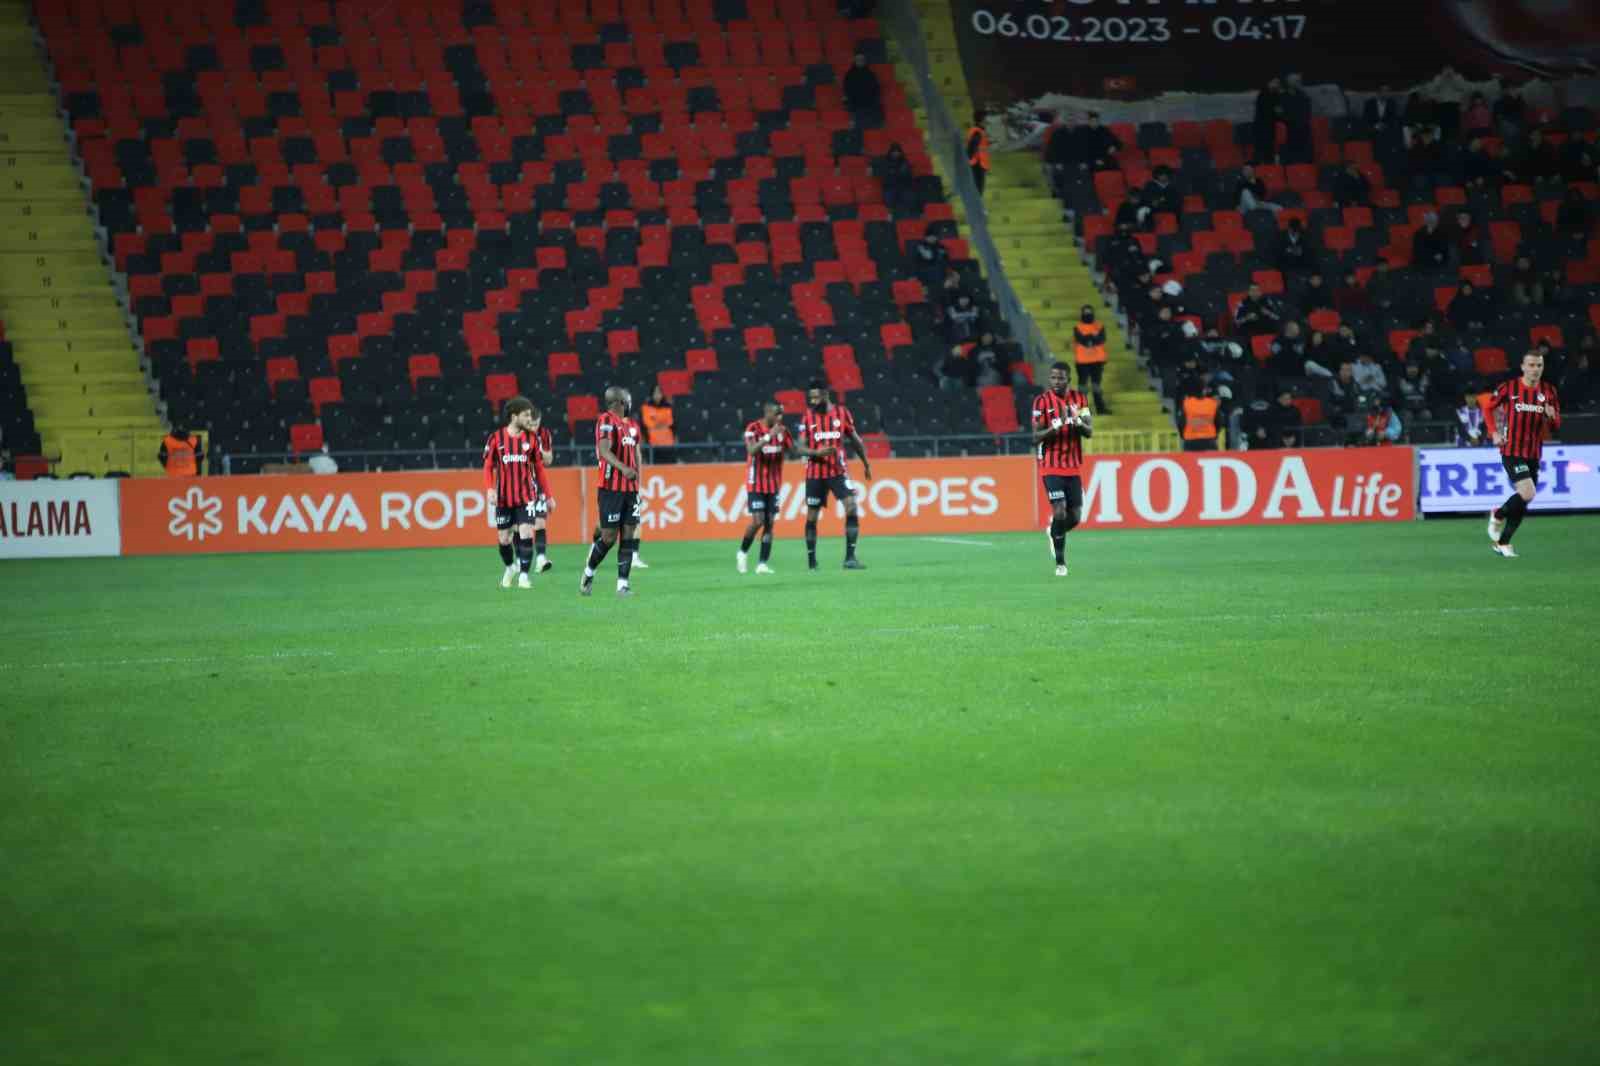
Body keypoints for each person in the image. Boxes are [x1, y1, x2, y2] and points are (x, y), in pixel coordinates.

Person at [1481, 350, 1561, 557]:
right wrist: (1494, 433)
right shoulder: (1509, 387)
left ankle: (1503, 543)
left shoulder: (1549, 391)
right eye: (1532, 365)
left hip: (1533, 452)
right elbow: (1488, 408)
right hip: (1511, 449)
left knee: (1525, 498)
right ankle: (1498, 515)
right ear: (1523, 367)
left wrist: (1552, 417)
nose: (1535, 370)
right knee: (1528, 492)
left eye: (1539, 366)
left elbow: (1556, 425)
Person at [797, 379, 871, 570]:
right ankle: (812, 561)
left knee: (852, 508)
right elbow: (799, 446)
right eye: (810, 398)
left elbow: (855, 439)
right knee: (812, 517)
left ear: (825, 395)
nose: (812, 401)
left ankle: (850, 558)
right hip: (815, 473)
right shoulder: (807, 417)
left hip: (838, 472)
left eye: (816, 397)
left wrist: (865, 463)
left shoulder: (842, 413)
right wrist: (816, 453)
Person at [581, 386, 643, 596]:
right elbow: (604, 451)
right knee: (608, 537)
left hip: (630, 490)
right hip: (610, 489)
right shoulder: (605, 420)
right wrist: (624, 469)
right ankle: (588, 573)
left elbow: (636, 456)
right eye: (628, 399)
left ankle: (622, 585)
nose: (630, 403)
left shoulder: (628, 426)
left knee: (628, 535)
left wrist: (638, 484)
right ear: (619, 401)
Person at [483, 396, 551, 590]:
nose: (529, 418)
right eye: (526, 415)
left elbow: (539, 468)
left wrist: (549, 495)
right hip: (504, 498)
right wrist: (489, 489)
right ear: (514, 416)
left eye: (530, 415)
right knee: (504, 539)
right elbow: (488, 466)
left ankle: (523, 576)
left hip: (526, 496)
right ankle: (510, 567)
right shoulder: (496, 438)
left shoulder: (531, 439)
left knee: (526, 533)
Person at [1032, 362, 1092, 577]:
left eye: (1061, 378)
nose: (1056, 382)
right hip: (1050, 465)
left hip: (1072, 466)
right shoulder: (1041, 402)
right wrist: (1054, 427)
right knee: (1059, 510)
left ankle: (1054, 531)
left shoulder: (1080, 399)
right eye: (1053, 378)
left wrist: (1076, 422)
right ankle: (1061, 564)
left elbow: (1089, 430)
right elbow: (1035, 437)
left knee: (1075, 517)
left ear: (1069, 379)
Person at [738, 401, 807, 574]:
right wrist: (769, 436)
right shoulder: (752, 428)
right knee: (757, 521)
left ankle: (762, 564)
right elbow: (752, 450)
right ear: (767, 412)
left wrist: (808, 449)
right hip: (756, 483)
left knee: (769, 524)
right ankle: (742, 552)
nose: (779, 418)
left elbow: (794, 450)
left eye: (781, 415)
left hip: (774, 484)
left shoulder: (782, 431)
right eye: (777, 414)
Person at [528, 413, 556, 572]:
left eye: (536, 424)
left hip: (537, 481)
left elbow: (548, 460)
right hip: (519, 482)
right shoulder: (517, 434)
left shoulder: (544, 434)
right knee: (519, 527)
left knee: (540, 522)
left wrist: (538, 449)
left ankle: (540, 558)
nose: (534, 427)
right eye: (531, 424)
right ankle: (519, 560)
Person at [1072, 305, 1110, 414]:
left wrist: (1089, 340)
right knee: (1083, 386)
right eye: (1085, 312)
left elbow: (1101, 339)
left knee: (1096, 385)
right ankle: (1082, 410)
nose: (1087, 314)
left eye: (1089, 312)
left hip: (1097, 360)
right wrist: (1093, 339)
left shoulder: (1099, 326)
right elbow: (1081, 339)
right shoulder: (1078, 327)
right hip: (1082, 361)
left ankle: (1100, 409)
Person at [1179, 382, 1221, 451]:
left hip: (1191, 441)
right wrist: (1215, 434)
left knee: (1190, 461)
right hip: (1209, 440)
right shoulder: (1212, 403)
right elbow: (1219, 421)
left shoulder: (1187, 403)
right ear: (1203, 390)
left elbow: (1181, 422)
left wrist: (1182, 435)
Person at [842, 52, 881, 124]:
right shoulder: (849, 74)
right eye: (858, 59)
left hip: (869, 104)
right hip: (855, 105)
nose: (860, 61)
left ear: (865, 61)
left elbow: (876, 89)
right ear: (855, 61)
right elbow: (846, 89)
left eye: (862, 59)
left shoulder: (871, 74)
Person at [640, 383, 675, 461]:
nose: (657, 395)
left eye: (659, 393)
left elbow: (670, 422)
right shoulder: (646, 407)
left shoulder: (668, 407)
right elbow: (647, 423)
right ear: (652, 394)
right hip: (652, 445)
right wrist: (660, 423)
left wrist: (656, 422)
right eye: (655, 393)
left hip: (668, 445)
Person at [1252, 76, 1284, 163]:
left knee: (1269, 153)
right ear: (1269, 83)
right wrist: (1277, 112)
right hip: (1261, 129)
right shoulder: (1263, 95)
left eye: (1278, 83)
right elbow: (1271, 112)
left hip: (1270, 128)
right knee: (1262, 153)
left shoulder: (1276, 94)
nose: (1277, 85)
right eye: (1275, 82)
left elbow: (1279, 113)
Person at [878, 141, 914, 216]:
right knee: (888, 195)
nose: (896, 153)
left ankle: (906, 214)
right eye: (894, 152)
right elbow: (885, 176)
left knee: (908, 195)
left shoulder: (904, 162)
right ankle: (890, 213)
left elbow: (909, 176)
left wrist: (902, 173)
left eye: (897, 152)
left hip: (902, 186)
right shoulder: (885, 161)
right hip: (890, 186)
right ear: (890, 152)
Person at [966, 109, 990, 196]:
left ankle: (977, 208)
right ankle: (977, 208)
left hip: (977, 164)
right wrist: (973, 161)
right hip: (977, 164)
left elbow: (977, 146)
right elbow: (972, 147)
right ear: (982, 119)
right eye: (986, 118)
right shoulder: (977, 132)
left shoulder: (977, 131)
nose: (987, 121)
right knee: (978, 189)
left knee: (978, 189)